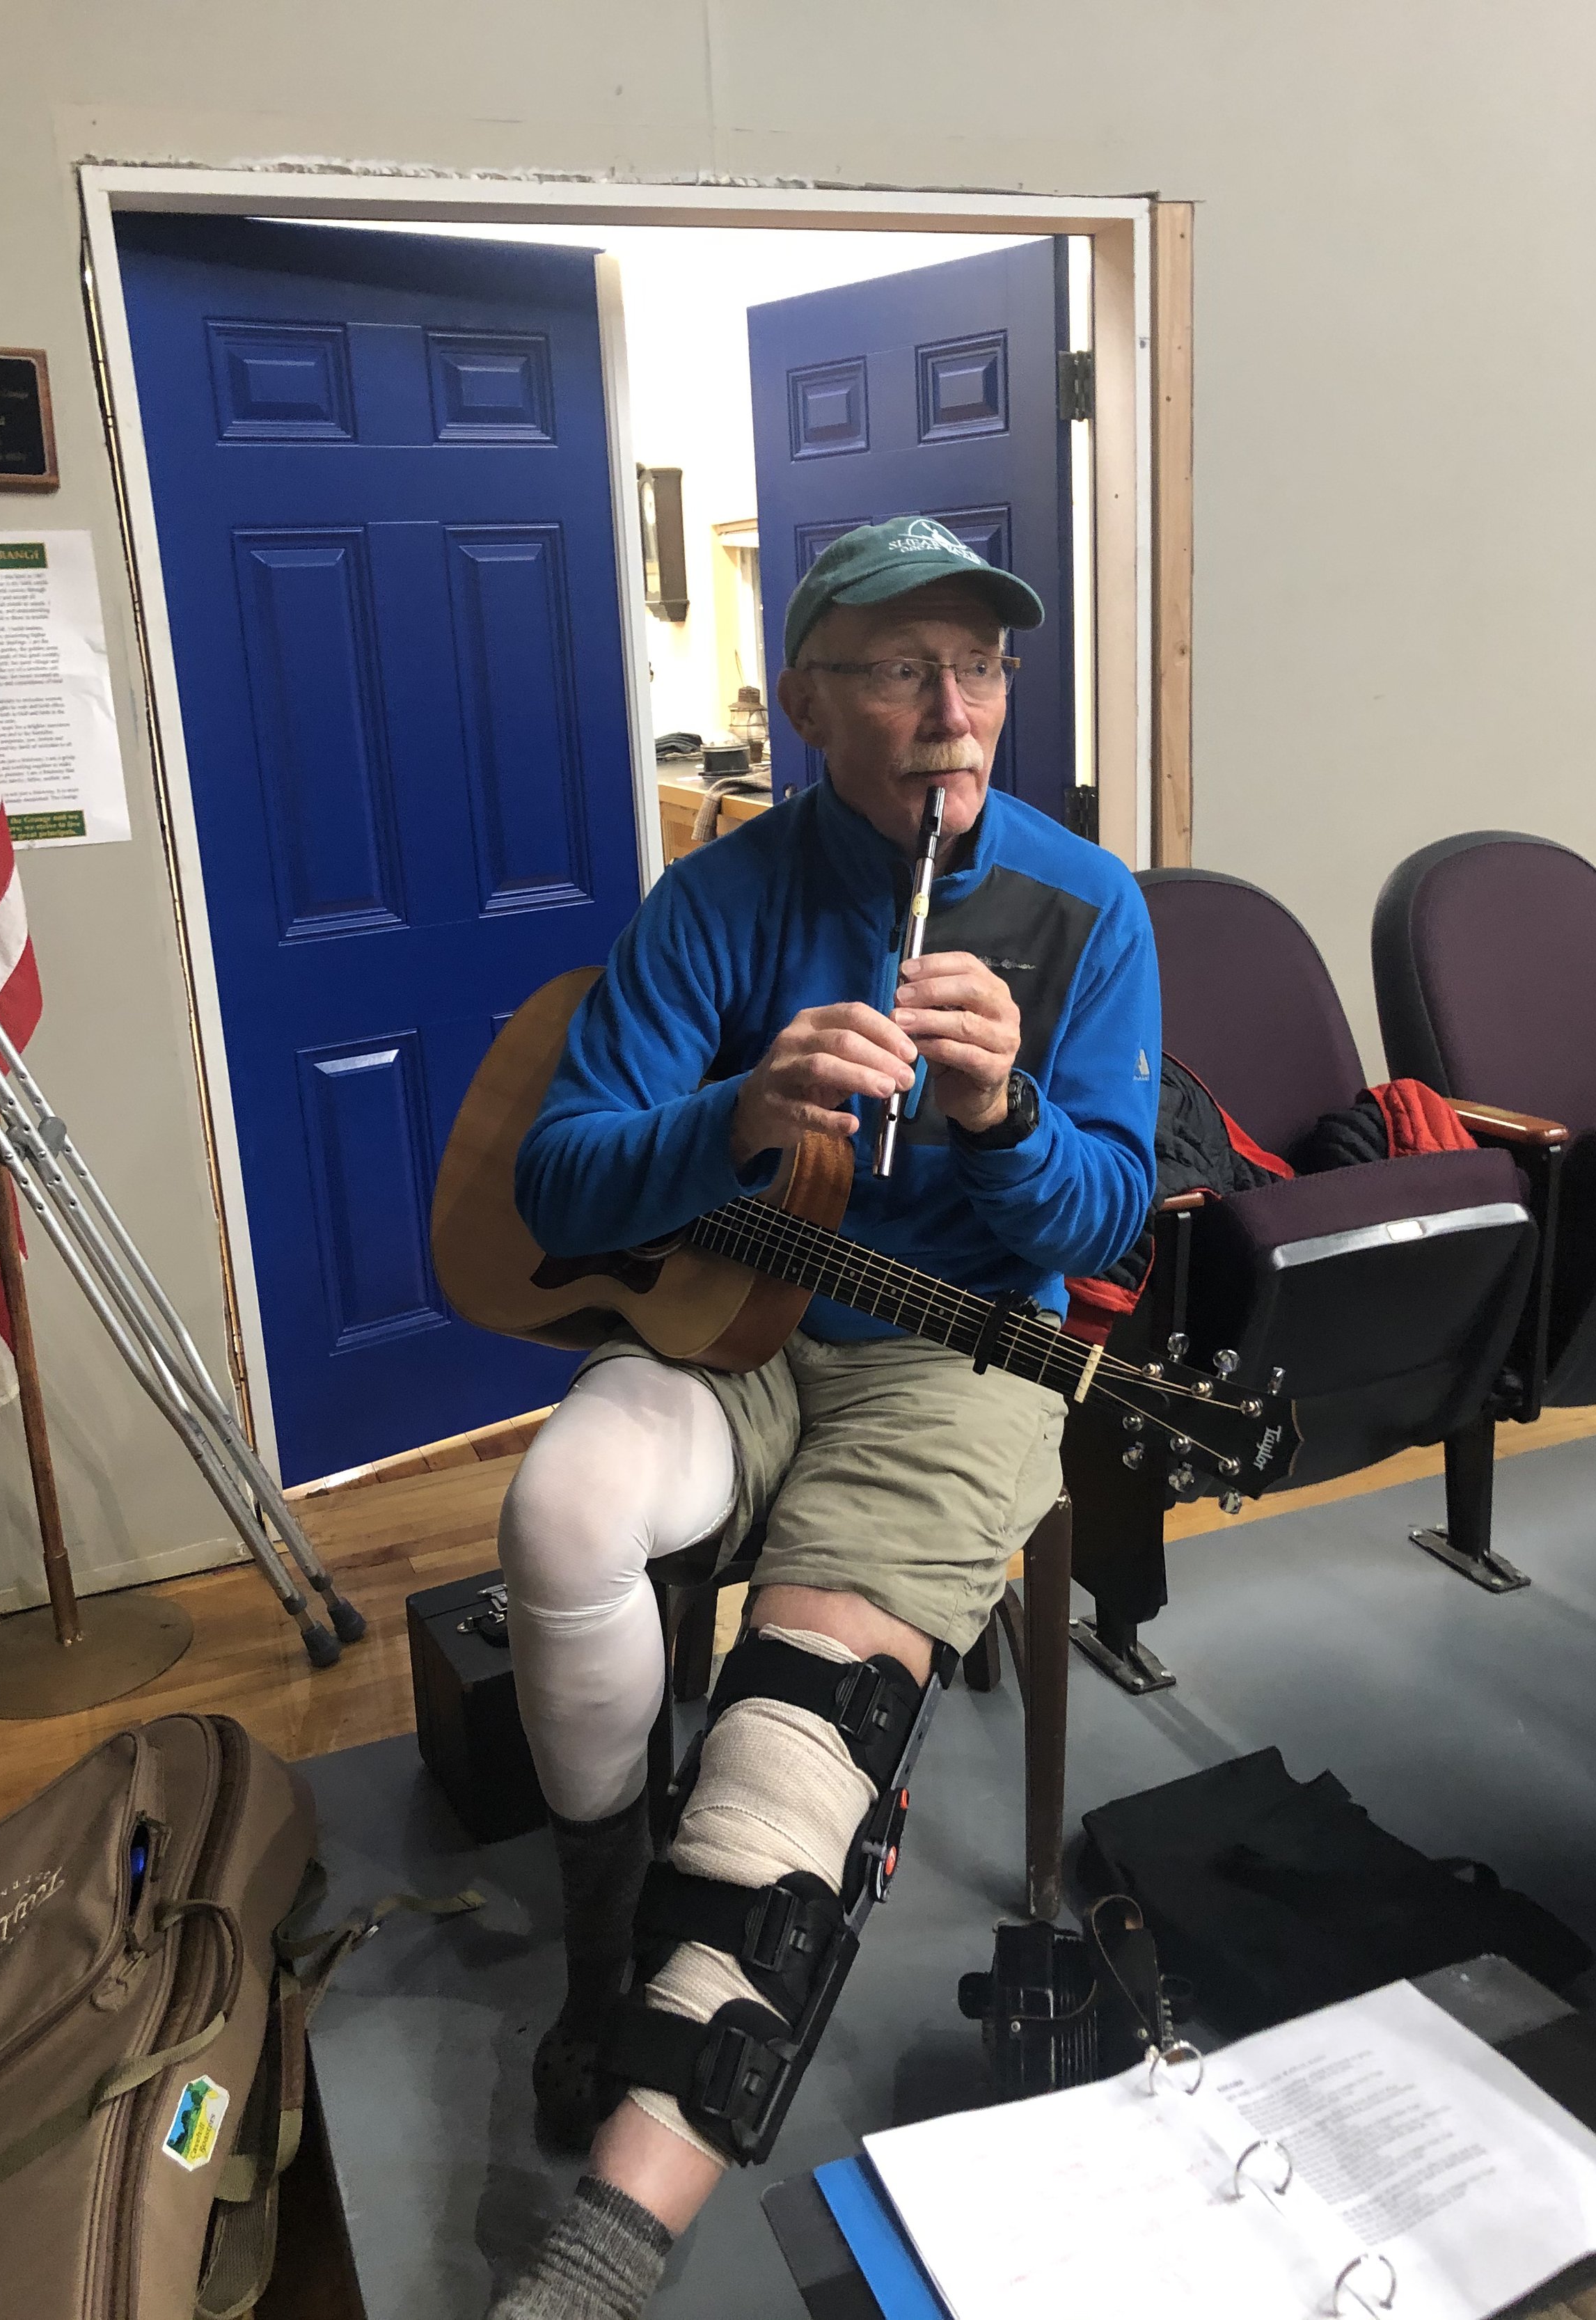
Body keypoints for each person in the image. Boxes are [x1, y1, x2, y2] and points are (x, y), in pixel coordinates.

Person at [491, 516, 1160, 2319]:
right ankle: (598, 1935)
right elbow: (559, 1192)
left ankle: (607, 2245)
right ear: (804, 701)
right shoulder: (713, 901)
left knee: (800, 1710)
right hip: (745, 1329)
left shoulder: (1088, 911)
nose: (953, 709)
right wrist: (732, 1110)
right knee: (555, 1514)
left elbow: (1100, 1226)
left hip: (954, 1361)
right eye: (898, 669)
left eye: (983, 667)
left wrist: (1006, 1119)